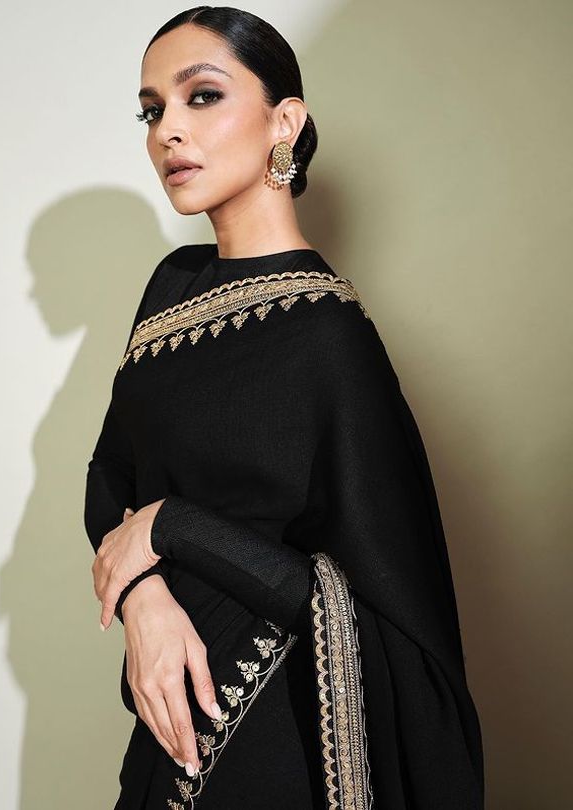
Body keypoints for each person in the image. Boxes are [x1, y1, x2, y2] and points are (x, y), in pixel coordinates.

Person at [84, 7, 485, 809]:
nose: (168, 131)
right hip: (167, 723)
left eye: (202, 96)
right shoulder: (170, 290)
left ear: (285, 122)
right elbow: (107, 480)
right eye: (151, 110)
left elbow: (381, 607)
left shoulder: (328, 335)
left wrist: (172, 526)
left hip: (281, 734)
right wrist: (142, 600)